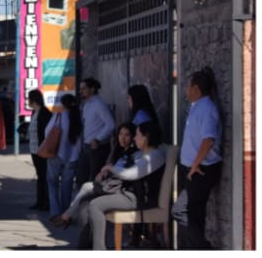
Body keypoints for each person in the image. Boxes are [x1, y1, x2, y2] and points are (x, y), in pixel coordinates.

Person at [65, 120, 168, 250]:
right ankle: (85, 247)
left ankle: (99, 249)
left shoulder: (154, 156)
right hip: (128, 193)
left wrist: (110, 168)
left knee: (95, 205)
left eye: (136, 135)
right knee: (85, 205)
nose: (134, 138)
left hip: (138, 198)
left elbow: (131, 174)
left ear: (146, 137)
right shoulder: (142, 154)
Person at [54, 121, 138, 226]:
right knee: (85, 198)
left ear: (133, 137)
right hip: (109, 183)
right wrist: (103, 172)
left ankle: (66, 216)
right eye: (121, 134)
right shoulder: (118, 150)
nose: (123, 138)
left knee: (86, 188)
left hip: (119, 188)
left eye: (127, 135)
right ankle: (69, 218)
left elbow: (123, 173)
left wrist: (107, 170)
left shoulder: (133, 154)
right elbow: (109, 167)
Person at [175, 67, 222, 249]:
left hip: (202, 169)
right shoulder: (197, 107)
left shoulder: (207, 109)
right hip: (192, 169)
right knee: (194, 215)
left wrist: (195, 164)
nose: (186, 90)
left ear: (196, 88)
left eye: (188, 86)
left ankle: (205, 249)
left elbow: (208, 139)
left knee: (180, 210)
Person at [48, 92, 83, 216]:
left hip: (56, 154)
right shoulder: (79, 117)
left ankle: (55, 212)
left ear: (63, 105)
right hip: (73, 156)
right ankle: (66, 213)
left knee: (52, 184)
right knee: (66, 186)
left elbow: (48, 132)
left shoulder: (58, 116)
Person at [79, 77, 117, 190]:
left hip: (97, 148)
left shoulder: (99, 104)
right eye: (80, 88)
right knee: (82, 179)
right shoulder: (87, 105)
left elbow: (111, 124)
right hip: (86, 146)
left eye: (84, 88)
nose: (81, 91)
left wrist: (98, 139)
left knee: (94, 181)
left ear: (93, 89)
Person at [27, 89, 53, 211]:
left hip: (42, 149)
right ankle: (40, 201)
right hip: (34, 149)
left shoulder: (45, 113)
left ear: (34, 100)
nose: (28, 101)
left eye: (29, 99)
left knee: (44, 176)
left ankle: (46, 202)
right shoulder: (34, 112)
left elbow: (47, 133)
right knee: (40, 176)